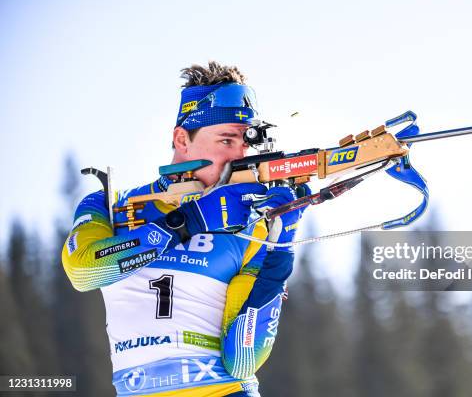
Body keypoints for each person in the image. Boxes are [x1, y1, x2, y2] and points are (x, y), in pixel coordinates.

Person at [62, 61, 308, 396]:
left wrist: (281, 245)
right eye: (226, 140)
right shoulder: (111, 204)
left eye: (246, 143)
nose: (239, 155)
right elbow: (84, 271)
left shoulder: (252, 226)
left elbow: (243, 359)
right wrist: (186, 223)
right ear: (182, 139)